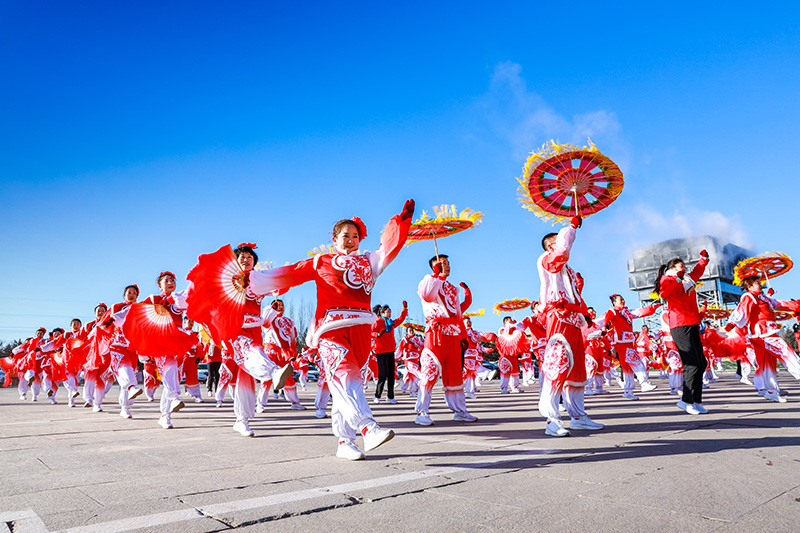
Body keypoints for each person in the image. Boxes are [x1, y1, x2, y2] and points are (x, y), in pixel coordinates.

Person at [247, 199, 414, 460]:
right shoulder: (320, 262)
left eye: (355, 236)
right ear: (334, 239)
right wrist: (253, 279)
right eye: (345, 236)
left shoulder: (370, 261)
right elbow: (289, 273)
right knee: (346, 376)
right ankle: (368, 428)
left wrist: (401, 224)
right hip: (331, 329)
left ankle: (345, 442)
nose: (351, 240)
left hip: (361, 329)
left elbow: (390, 248)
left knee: (344, 386)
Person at [536, 217, 604, 437]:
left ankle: (578, 416)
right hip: (558, 318)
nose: (564, 242)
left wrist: (585, 315)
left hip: (574, 320)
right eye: (558, 239)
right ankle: (551, 420)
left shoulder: (569, 271)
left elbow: (577, 295)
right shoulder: (547, 260)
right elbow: (562, 252)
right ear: (550, 245)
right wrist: (571, 227)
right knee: (558, 366)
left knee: (576, 371)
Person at [416, 254, 478, 425]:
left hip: (453, 334)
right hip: (436, 334)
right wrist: (435, 276)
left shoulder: (452, 288)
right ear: (434, 266)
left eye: (448, 263)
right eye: (442, 263)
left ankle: (460, 410)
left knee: (455, 375)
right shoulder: (428, 280)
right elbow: (427, 295)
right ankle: (421, 412)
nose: (446, 266)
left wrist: (463, 335)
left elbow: (458, 312)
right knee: (429, 373)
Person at [725, 276, 800, 402]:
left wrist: (796, 305)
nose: (760, 284)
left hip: (768, 332)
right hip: (762, 333)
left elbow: (779, 304)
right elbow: (741, 310)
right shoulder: (749, 296)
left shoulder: (764, 298)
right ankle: (795, 372)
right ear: (749, 287)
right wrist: (732, 322)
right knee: (785, 350)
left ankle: (769, 389)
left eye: (759, 282)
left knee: (767, 363)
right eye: (757, 283)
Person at [653, 252, 710, 414]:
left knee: (701, 363)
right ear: (672, 268)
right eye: (681, 266)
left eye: (684, 265)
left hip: (692, 323)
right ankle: (685, 400)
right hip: (679, 325)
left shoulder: (687, 279)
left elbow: (697, 271)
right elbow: (665, 294)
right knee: (691, 364)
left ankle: (696, 400)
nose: (684, 268)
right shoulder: (668, 279)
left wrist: (704, 260)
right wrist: (677, 279)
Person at [592, 295, 661, 400]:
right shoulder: (612, 312)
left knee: (627, 367)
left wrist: (654, 307)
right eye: (620, 300)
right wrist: (591, 328)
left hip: (628, 341)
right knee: (635, 360)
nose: (623, 301)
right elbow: (601, 321)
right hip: (620, 341)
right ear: (614, 302)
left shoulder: (627, 312)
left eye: (623, 299)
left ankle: (628, 390)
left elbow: (640, 312)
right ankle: (644, 383)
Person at [107, 285, 144, 418]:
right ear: (124, 294)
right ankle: (131, 389)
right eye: (129, 292)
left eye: (135, 293)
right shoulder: (116, 307)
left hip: (132, 347)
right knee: (125, 370)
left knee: (128, 377)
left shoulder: (140, 309)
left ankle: (125, 408)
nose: (132, 295)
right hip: (117, 345)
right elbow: (105, 322)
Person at [371, 302, 408, 404]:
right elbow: (370, 332)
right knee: (383, 374)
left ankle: (390, 396)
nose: (389, 313)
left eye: (390, 312)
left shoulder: (390, 322)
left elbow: (400, 319)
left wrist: (404, 308)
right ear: (382, 313)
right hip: (381, 351)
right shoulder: (377, 322)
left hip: (391, 351)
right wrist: (377, 334)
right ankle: (377, 396)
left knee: (391, 374)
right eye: (387, 312)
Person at [496, 316, 528, 393]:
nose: (510, 322)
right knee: (505, 370)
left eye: (511, 321)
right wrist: (512, 326)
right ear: (505, 322)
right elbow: (506, 332)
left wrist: (515, 326)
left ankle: (515, 386)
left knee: (515, 370)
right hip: (505, 354)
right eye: (509, 321)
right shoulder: (502, 330)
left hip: (513, 353)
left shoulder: (514, 330)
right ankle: (504, 387)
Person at [396, 327, 423, 397]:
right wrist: (395, 357)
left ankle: (412, 392)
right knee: (417, 373)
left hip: (416, 359)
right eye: (409, 331)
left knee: (411, 376)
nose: (411, 332)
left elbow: (423, 346)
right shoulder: (405, 340)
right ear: (407, 332)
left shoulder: (417, 339)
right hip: (409, 359)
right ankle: (421, 387)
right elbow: (400, 349)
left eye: (412, 330)